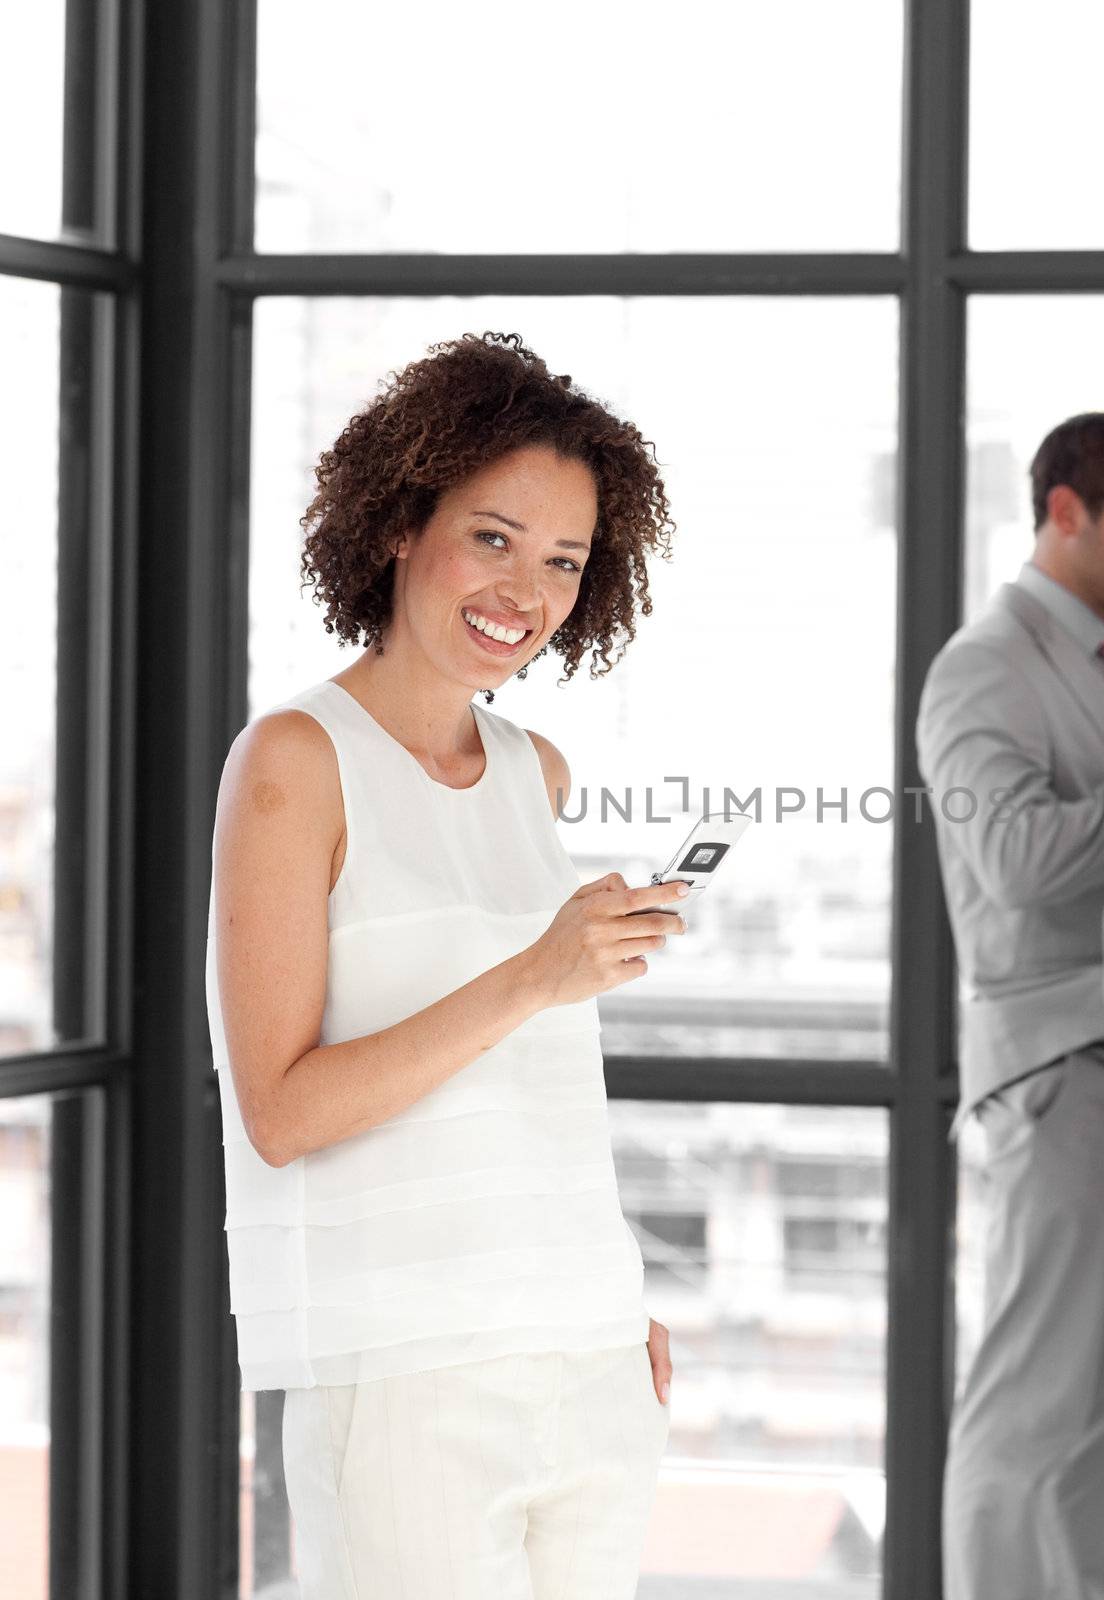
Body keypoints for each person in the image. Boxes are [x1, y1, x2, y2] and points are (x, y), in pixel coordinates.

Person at [206, 332, 685, 1599]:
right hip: (406, 1366)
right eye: (493, 537)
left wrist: (606, 1294)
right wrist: (535, 972)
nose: (524, 590)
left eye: (564, 561)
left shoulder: (538, 773)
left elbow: (532, 1091)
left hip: (585, 1353)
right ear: (401, 520)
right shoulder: (294, 763)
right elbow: (280, 1110)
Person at [916, 411, 1104, 1600]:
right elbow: (1012, 860)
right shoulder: (985, 662)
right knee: (1027, 1406)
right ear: (1063, 511)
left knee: (1097, 1425)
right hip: (1053, 1071)